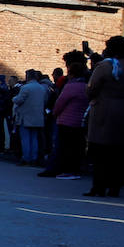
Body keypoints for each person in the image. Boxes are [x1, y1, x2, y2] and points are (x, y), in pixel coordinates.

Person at [85, 35, 124, 197]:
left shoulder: (105, 66)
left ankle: (98, 186)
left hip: (104, 110)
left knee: (100, 152)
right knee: (119, 154)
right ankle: (115, 186)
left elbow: (91, 88)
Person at [42, 51, 89, 179]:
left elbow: (59, 103)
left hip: (65, 119)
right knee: (76, 147)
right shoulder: (87, 84)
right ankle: (73, 169)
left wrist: (54, 113)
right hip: (81, 120)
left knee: (61, 146)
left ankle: (58, 169)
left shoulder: (69, 85)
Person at [11, 70, 47, 165]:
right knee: (34, 138)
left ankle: (26, 157)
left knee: (25, 139)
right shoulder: (42, 88)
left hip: (26, 117)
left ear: (28, 76)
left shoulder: (26, 88)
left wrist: (13, 98)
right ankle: (34, 157)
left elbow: (19, 100)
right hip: (38, 117)